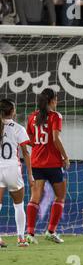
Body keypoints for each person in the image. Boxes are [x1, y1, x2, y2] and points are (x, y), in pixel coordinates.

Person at [25, 88, 70, 244]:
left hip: (37, 162)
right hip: (53, 163)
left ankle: (30, 233)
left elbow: (29, 138)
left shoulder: (32, 117)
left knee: (35, 197)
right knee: (60, 196)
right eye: (56, 100)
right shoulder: (55, 116)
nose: (57, 103)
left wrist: (38, 146)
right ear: (52, 101)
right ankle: (51, 231)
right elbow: (56, 139)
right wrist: (65, 156)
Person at [0, 99, 33, 248]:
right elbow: (26, 153)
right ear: (12, 112)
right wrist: (31, 175)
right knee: (19, 205)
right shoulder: (18, 128)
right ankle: (21, 238)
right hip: (13, 169)